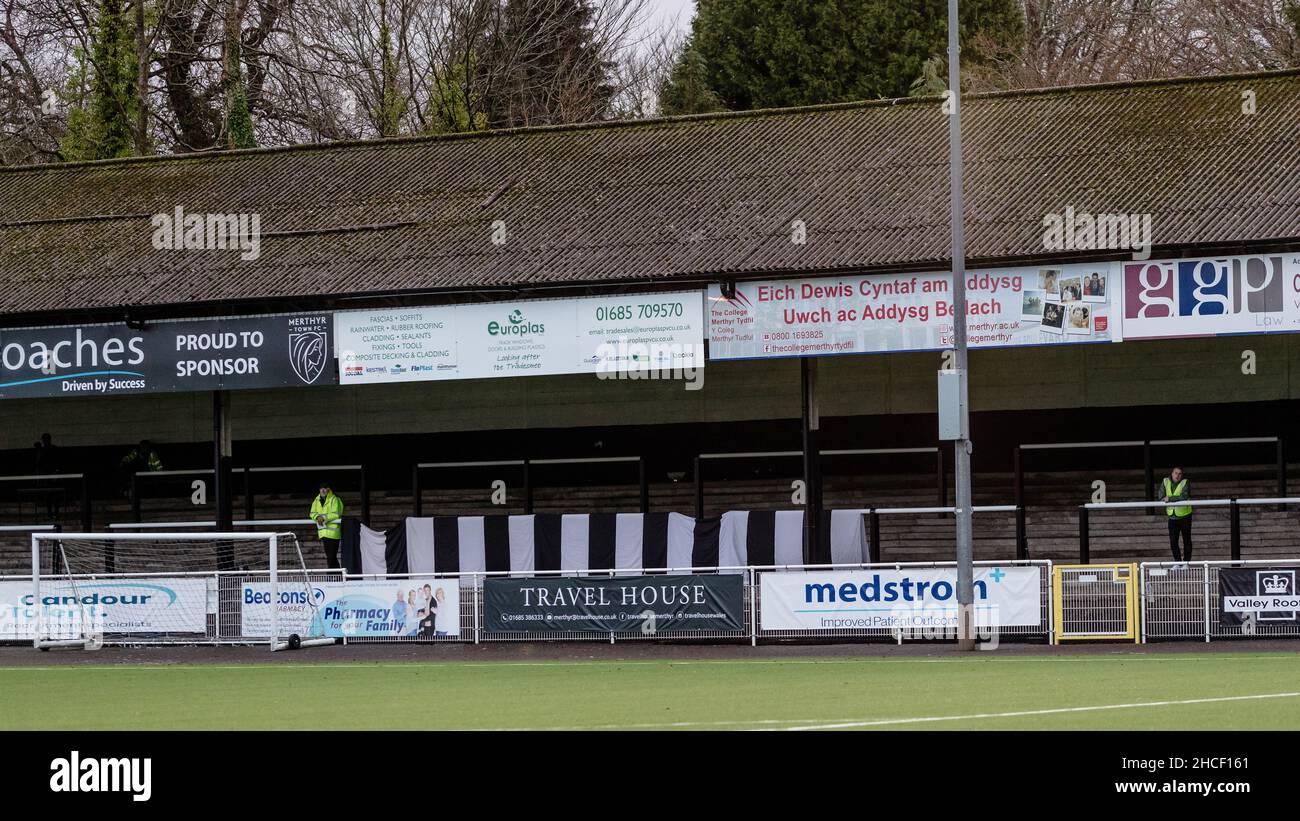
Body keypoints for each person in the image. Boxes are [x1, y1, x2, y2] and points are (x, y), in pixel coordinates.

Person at [310, 481, 345, 569]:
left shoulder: (334, 499)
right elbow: (312, 513)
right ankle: (334, 577)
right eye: (321, 488)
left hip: (333, 534)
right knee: (329, 557)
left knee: (331, 557)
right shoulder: (316, 500)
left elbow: (336, 514)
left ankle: (334, 577)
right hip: (323, 533)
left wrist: (323, 518)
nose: (323, 490)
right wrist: (317, 517)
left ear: (329, 489)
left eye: (325, 488)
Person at [1161, 466, 1192, 563]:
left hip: (1185, 516)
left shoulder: (1185, 482)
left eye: (1179, 474)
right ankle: (1178, 562)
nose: (1177, 475)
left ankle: (1186, 562)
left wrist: (1170, 498)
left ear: (1182, 475)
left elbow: (1184, 496)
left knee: (1186, 540)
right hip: (1172, 517)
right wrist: (1171, 498)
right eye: (1175, 473)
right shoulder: (1165, 481)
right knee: (1173, 541)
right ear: (1172, 473)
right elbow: (1161, 495)